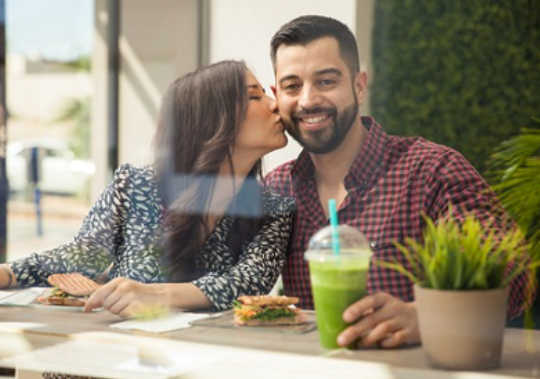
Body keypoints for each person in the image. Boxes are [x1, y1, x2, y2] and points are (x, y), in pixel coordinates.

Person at [265, 15, 531, 348]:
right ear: (277, 94)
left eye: (327, 81)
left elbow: (510, 269)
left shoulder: (433, 170)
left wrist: (429, 315)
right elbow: (227, 273)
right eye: (292, 86)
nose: (308, 100)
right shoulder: (276, 189)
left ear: (359, 86)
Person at [0, 60, 294, 318]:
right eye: (255, 96)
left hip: (209, 358)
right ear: (213, 118)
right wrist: (7, 273)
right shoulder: (136, 185)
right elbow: (84, 256)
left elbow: (248, 284)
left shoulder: (275, 209)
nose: (274, 104)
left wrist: (158, 295)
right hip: (116, 353)